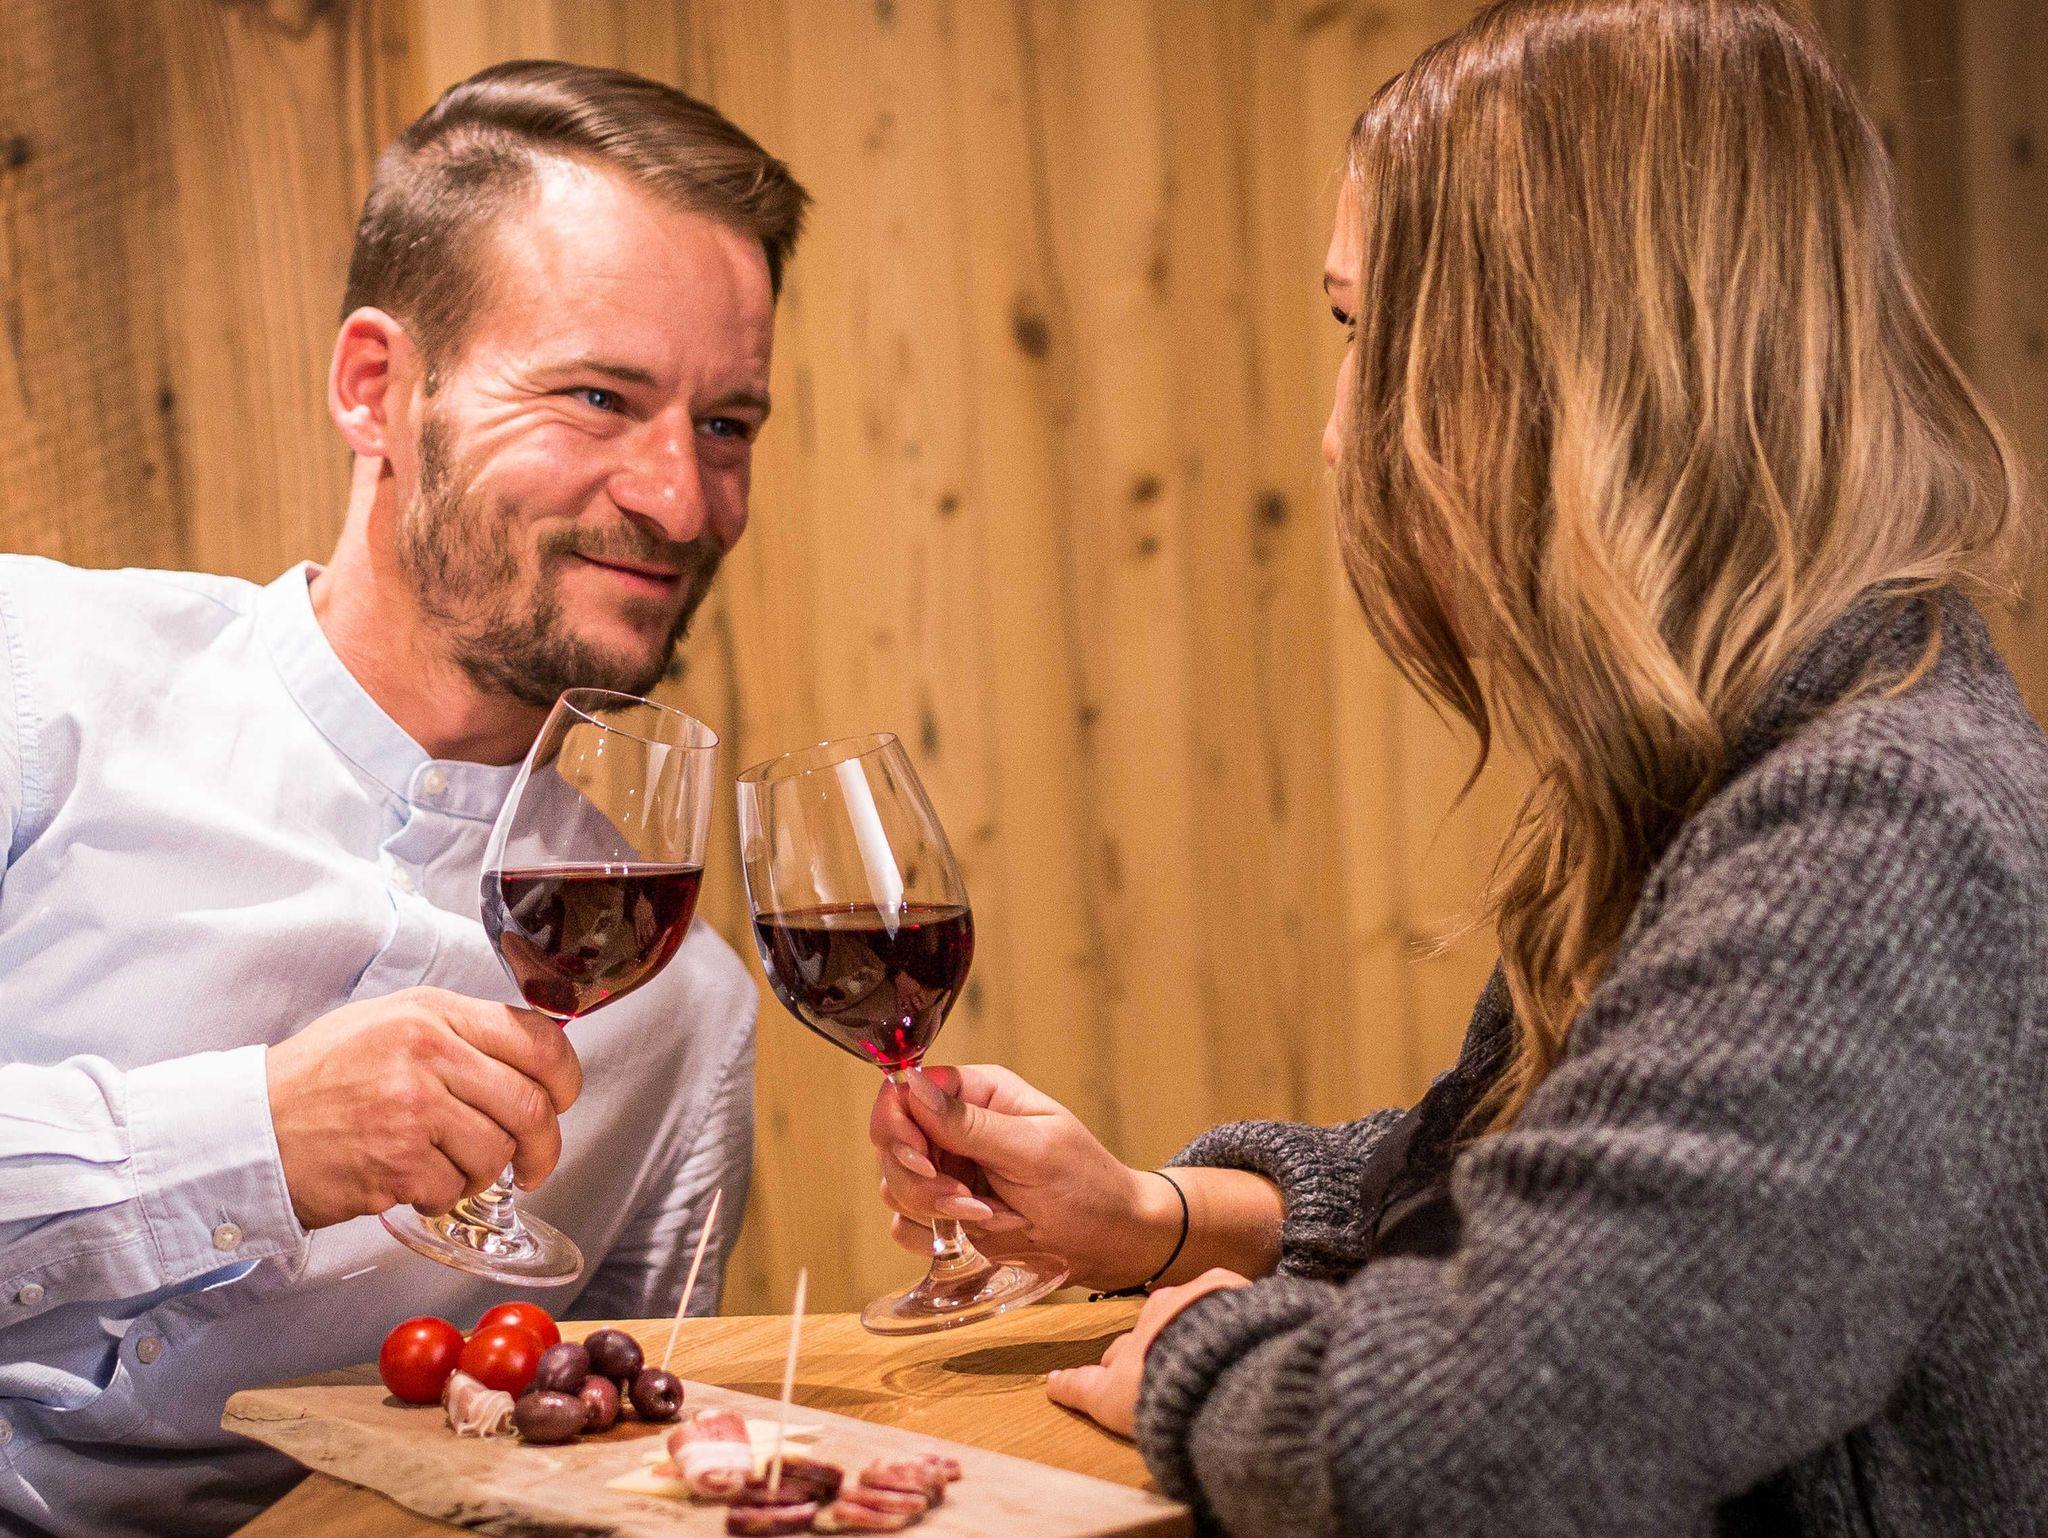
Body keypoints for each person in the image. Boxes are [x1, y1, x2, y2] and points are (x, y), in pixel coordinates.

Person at [872, 2, 2048, 1532]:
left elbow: (1481, 1441)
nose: (1337, 431)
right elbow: (1537, 1188)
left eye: (1362, 333)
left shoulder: (1878, 832)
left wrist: (1203, 1358)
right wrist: (1155, 1219)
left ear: (1559, 364)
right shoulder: (1759, 761)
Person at [0, 62, 805, 1538]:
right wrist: (253, 1138)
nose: (680, 501)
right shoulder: (33, 676)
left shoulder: (682, 1017)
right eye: (599, 398)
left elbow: (610, 1472)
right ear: (378, 387)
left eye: (728, 424)